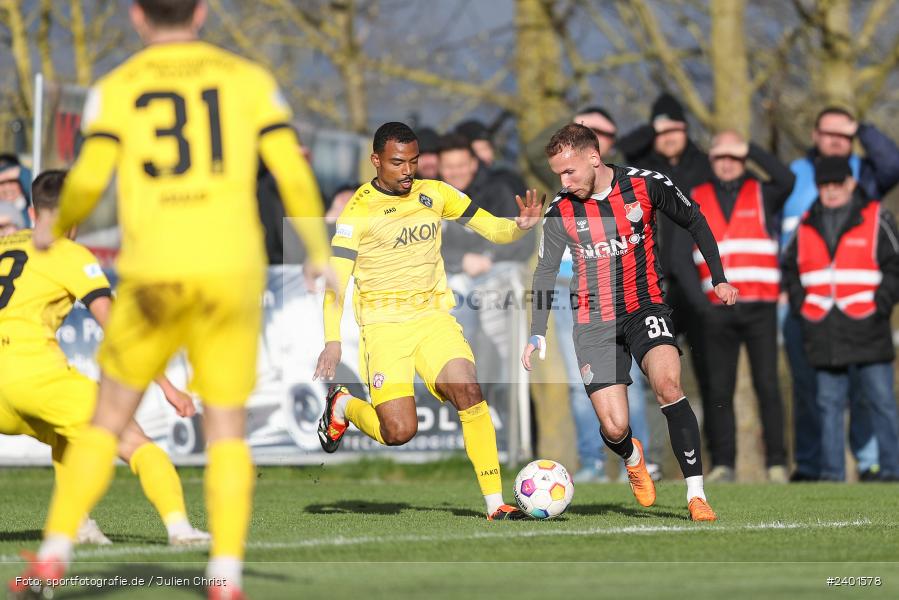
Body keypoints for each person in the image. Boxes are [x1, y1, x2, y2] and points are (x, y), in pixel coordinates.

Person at [14, 2, 332, 598]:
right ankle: (225, 575)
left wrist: (57, 226)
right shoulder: (247, 78)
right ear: (203, 12)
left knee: (107, 420)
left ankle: (55, 551)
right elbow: (289, 169)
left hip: (153, 272)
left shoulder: (116, 87)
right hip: (232, 270)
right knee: (228, 429)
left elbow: (87, 176)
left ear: (136, 17)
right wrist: (317, 247)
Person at [314, 122, 542, 521]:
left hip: (433, 320)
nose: (407, 171)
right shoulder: (356, 212)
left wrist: (518, 227)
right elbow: (336, 283)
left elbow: (491, 227)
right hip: (385, 329)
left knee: (469, 390)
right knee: (398, 432)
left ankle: (495, 503)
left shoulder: (434, 193)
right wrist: (333, 341)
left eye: (414, 161)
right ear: (376, 161)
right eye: (398, 162)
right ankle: (345, 405)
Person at [523, 123, 738, 521]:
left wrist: (719, 277)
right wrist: (536, 330)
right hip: (593, 322)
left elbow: (695, 220)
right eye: (558, 175)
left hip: (646, 308)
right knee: (616, 427)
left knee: (668, 385)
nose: (564, 182)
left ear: (593, 156)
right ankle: (632, 455)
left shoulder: (646, 185)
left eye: (569, 172)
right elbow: (545, 272)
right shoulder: (561, 211)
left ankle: (696, 495)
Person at [0, 171, 209, 551]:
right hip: (32, 376)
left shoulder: (4, 244)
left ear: (32, 211)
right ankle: (181, 529)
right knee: (136, 441)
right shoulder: (68, 252)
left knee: (66, 439)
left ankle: (77, 521)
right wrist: (167, 385)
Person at [781, 106, 899, 481]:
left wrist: (882, 305)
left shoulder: (877, 217)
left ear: (851, 183)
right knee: (827, 404)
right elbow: (791, 267)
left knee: (880, 402)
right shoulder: (806, 222)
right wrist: (802, 305)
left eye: (838, 184)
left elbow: (895, 265)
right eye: (825, 184)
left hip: (868, 323)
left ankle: (891, 470)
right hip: (823, 326)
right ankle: (831, 477)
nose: (831, 190)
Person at [683, 131, 794, 483]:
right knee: (718, 389)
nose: (727, 163)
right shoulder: (695, 196)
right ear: (711, 161)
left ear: (744, 158)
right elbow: (681, 253)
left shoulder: (764, 192)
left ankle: (776, 463)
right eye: (720, 157)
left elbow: (786, 178)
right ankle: (723, 464)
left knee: (767, 385)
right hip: (715, 309)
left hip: (760, 303)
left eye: (734, 156)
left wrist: (750, 147)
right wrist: (700, 302)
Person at [617, 93, 715, 434]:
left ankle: (720, 461)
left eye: (674, 128)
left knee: (710, 375)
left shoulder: (704, 164)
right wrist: (653, 127)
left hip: (697, 283)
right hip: (654, 285)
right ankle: (654, 453)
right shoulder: (644, 167)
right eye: (661, 130)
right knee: (651, 372)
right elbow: (625, 143)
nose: (668, 136)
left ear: (687, 129)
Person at [439, 133, 535, 361]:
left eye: (461, 165)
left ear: (473, 163)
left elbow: (522, 240)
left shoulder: (500, 188)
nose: (455, 172)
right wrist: (461, 260)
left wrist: (488, 256)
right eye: (449, 166)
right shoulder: (433, 196)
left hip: (498, 284)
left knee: (502, 350)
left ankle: (504, 391)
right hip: (455, 285)